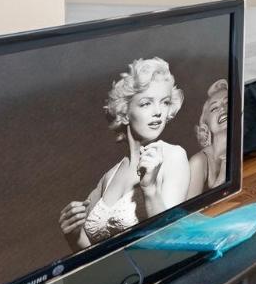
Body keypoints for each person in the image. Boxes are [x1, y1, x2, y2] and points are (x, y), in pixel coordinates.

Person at [58, 57, 192, 250]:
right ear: (124, 112)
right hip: (115, 276)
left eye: (164, 102)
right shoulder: (108, 178)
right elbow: (93, 255)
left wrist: (150, 189)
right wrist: (74, 235)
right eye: (146, 103)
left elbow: (170, 240)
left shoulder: (173, 156)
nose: (158, 112)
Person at [188, 79, 229, 196]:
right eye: (214, 108)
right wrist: (221, 179)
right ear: (206, 123)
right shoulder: (199, 162)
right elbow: (188, 212)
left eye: (227, 103)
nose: (222, 108)